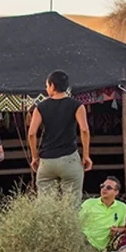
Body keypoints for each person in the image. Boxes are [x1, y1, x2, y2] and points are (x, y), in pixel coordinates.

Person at [28, 70, 91, 203]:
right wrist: (86, 155)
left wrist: (34, 156)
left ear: (52, 85)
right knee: (72, 204)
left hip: (47, 161)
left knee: (46, 206)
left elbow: (32, 133)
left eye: (46, 86)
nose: (46, 89)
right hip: (69, 159)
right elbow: (84, 130)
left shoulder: (41, 107)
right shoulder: (77, 105)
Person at [78, 176, 126, 252]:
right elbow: (77, 223)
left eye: (108, 187)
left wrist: (116, 230)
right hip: (85, 242)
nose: (104, 189)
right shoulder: (89, 203)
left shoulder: (122, 207)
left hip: (105, 248)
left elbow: (122, 227)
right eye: (102, 186)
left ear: (116, 192)